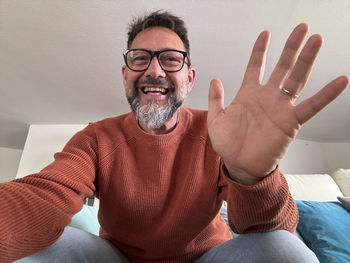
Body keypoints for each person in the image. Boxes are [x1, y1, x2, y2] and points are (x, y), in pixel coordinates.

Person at [1, 10, 348, 263]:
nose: (154, 70)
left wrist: (252, 177)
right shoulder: (96, 138)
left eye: (170, 59)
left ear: (190, 78)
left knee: (287, 252)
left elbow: (273, 231)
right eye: (140, 59)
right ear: (125, 75)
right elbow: (46, 196)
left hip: (206, 258)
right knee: (41, 247)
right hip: (119, 259)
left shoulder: (218, 131)